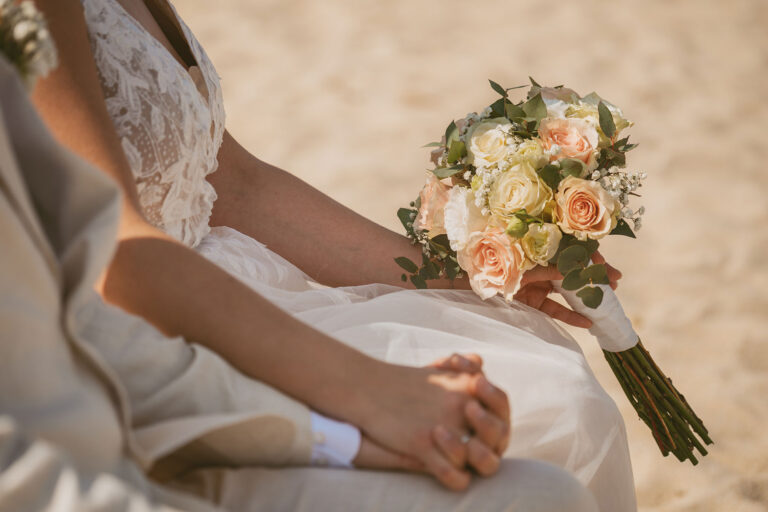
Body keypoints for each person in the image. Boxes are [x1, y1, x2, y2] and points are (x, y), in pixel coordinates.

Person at [31, 0, 637, 509]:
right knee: (531, 459)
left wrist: (460, 276)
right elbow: (114, 251)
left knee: (559, 389)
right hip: (145, 337)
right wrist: (373, 390)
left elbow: (234, 185)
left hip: (232, 283)